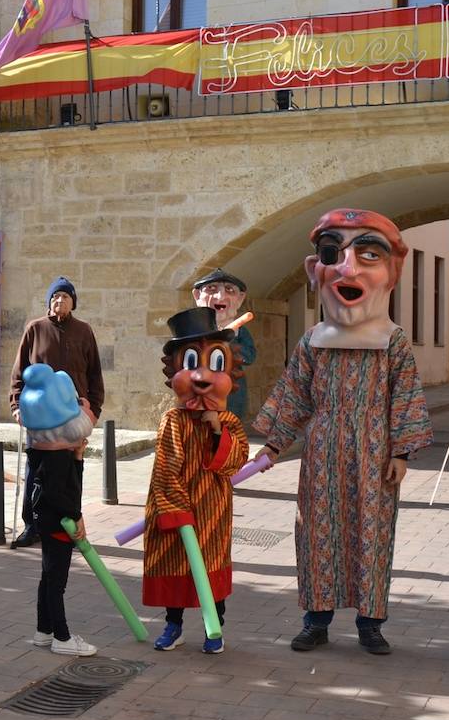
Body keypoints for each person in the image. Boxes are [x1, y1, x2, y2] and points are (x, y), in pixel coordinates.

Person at [253, 209, 432, 656]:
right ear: (317, 271)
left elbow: (404, 394)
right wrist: (273, 444)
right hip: (322, 449)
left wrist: (402, 453)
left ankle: (371, 623)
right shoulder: (313, 339)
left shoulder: (393, 340)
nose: (349, 267)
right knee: (317, 531)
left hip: (375, 451)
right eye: (334, 254)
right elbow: (294, 393)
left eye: (369, 254)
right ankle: (316, 620)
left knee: (372, 533)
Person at [146, 307, 250, 655]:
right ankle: (173, 626)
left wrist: (217, 430)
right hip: (177, 513)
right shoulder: (172, 420)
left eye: (214, 364)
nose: (203, 376)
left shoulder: (229, 421)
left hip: (213, 511)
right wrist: (176, 511)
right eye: (192, 363)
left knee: (211, 569)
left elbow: (234, 462)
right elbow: (165, 468)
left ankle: (214, 627)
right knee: (176, 567)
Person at [8, 276, 105, 547]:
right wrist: (16, 406)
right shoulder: (35, 329)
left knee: (72, 468)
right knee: (36, 470)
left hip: (74, 415)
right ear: (49, 303)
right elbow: (18, 372)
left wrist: (93, 411)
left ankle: (70, 524)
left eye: (64, 296)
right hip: (39, 418)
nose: (59, 301)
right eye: (54, 297)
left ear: (73, 302)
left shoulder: (84, 331)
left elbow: (95, 374)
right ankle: (32, 525)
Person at [18, 364, 99, 657]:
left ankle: (44, 631)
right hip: (59, 524)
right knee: (56, 582)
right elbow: (58, 493)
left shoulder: (44, 453)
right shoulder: (56, 459)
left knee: (48, 577)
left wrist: (77, 456)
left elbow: (66, 484)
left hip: (48, 521)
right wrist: (75, 516)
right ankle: (62, 637)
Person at [191, 269, 257, 419]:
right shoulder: (194, 328)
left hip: (232, 391)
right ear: (197, 296)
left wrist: (230, 340)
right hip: (201, 390)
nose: (220, 296)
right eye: (211, 289)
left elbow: (251, 356)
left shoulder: (240, 331)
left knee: (230, 428)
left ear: (240, 299)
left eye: (229, 290)